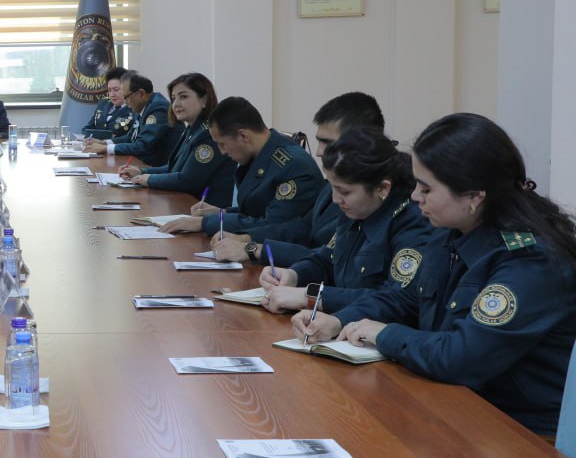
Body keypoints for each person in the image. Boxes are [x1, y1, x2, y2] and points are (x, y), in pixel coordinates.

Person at [293, 113, 576, 437]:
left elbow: (463, 357)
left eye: (427, 189)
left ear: (474, 196)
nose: (415, 196)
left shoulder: (530, 261)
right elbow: (403, 298)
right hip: (454, 405)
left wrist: (384, 335)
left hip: (520, 432)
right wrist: (340, 321)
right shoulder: (449, 233)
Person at [257, 128, 432, 313]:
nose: (335, 199)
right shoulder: (356, 209)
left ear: (382, 188)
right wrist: (294, 274)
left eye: (345, 192)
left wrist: (311, 297)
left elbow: (396, 299)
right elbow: (327, 259)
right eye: (333, 187)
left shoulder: (412, 223)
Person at [210, 92, 385, 264]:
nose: (318, 152)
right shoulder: (329, 189)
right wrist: (246, 239)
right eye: (319, 141)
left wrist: (253, 249)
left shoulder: (377, 201)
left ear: (362, 142)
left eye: (328, 143)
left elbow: (331, 259)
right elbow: (301, 229)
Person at [160, 96, 323, 236]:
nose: (222, 152)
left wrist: (205, 223)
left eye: (222, 144)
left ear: (243, 136)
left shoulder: (294, 166)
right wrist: (222, 213)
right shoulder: (261, 153)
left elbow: (273, 226)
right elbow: (258, 211)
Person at [118, 72, 234, 207]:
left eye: (183, 97)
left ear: (204, 100)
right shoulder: (192, 129)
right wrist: (141, 172)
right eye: (173, 98)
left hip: (206, 213)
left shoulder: (209, 134)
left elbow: (187, 180)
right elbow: (173, 168)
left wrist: (148, 179)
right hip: (185, 205)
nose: (175, 104)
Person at [83, 72, 176, 165]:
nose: (125, 102)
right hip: (141, 164)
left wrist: (106, 148)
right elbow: (130, 137)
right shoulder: (144, 106)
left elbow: (142, 146)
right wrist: (104, 142)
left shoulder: (158, 108)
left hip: (156, 167)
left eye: (126, 97)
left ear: (140, 94)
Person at [81, 67, 131, 140]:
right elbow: (87, 128)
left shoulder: (133, 109)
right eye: (109, 90)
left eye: (116, 90)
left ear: (127, 88)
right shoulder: (103, 103)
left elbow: (131, 137)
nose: (112, 94)